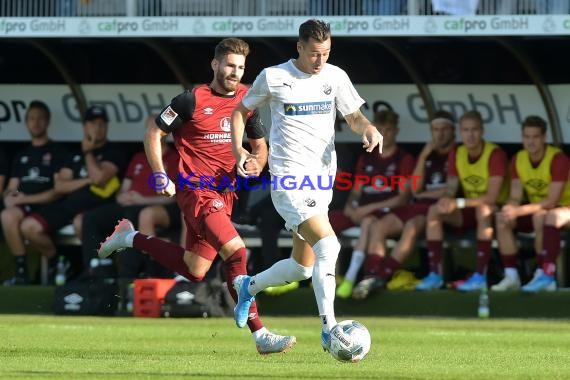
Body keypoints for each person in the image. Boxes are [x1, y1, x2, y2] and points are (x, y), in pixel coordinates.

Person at [96, 38, 296, 355]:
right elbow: (153, 131)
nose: (235, 72)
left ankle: (131, 237)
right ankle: (261, 334)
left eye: (241, 67)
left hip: (226, 194)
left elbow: (259, 145)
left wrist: (255, 163)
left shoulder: (247, 99)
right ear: (215, 64)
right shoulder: (191, 100)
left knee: (195, 269)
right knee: (236, 252)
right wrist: (160, 173)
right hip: (196, 191)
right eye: (230, 65)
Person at [230, 19, 382, 352]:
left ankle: (248, 286)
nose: (320, 61)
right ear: (299, 47)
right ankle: (330, 330)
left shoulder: (335, 76)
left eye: (326, 53)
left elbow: (354, 116)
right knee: (330, 247)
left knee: (303, 267)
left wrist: (368, 129)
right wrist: (238, 148)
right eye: (314, 54)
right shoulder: (274, 76)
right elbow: (239, 112)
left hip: (320, 182)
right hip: (289, 179)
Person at [351, 110, 456, 299]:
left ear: (453, 131)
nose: (440, 134)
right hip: (418, 205)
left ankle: (382, 276)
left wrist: (425, 193)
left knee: (412, 226)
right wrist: (423, 157)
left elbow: (450, 190)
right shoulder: (427, 154)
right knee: (380, 226)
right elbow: (416, 190)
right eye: (436, 130)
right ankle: (371, 275)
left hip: (440, 210)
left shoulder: (457, 153)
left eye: (445, 129)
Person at [19, 105, 125, 278]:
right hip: (68, 206)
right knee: (29, 226)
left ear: (106, 126)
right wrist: (87, 180)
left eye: (101, 124)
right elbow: (60, 186)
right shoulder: (74, 155)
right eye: (92, 124)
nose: (97, 128)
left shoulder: (114, 152)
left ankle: (92, 270)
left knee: (81, 222)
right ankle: (60, 263)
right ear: (85, 127)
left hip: (95, 208)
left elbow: (99, 177)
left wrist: (88, 153)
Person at [415, 110, 509, 292]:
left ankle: (480, 276)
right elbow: (451, 188)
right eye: (466, 130)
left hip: (497, 210)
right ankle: (435, 274)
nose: (470, 135)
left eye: (474, 130)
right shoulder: (457, 153)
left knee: (483, 209)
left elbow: (492, 197)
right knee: (435, 210)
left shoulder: (495, 153)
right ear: (460, 132)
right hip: (468, 207)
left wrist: (457, 203)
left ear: (482, 131)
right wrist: (446, 200)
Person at [78, 116, 180, 280]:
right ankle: (95, 268)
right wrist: (122, 197)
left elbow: (175, 197)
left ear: (166, 132)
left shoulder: (175, 158)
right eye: (148, 129)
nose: (151, 132)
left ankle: (137, 274)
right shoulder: (138, 157)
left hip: (153, 206)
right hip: (130, 205)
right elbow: (123, 190)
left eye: (156, 128)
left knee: (134, 219)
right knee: (90, 218)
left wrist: (141, 200)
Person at [333, 109, 416, 298]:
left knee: (371, 222)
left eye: (389, 130)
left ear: (396, 131)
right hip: (362, 210)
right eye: (381, 130)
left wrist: (365, 209)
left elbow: (402, 197)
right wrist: (351, 205)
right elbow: (356, 190)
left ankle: (354, 277)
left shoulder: (404, 159)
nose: (385, 134)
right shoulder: (367, 156)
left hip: (386, 212)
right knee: (324, 223)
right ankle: (324, 276)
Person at [493, 116, 570, 292]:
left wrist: (518, 211)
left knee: (545, 216)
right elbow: (515, 195)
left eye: (535, 137)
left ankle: (545, 275)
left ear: (544, 138)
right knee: (502, 218)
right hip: (539, 210)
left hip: (565, 207)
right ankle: (511, 276)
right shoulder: (518, 159)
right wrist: (510, 207)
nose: (531, 141)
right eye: (527, 137)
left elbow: (551, 201)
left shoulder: (558, 159)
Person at [2, 101, 67, 285]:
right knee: (7, 215)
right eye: (31, 119)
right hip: (25, 206)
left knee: (27, 227)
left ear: (47, 122)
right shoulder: (21, 155)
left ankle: (55, 260)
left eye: (39, 118)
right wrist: (9, 196)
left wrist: (25, 198)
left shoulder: (57, 151)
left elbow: (57, 190)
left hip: (50, 206)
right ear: (26, 122)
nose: (35, 122)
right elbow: (12, 186)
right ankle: (21, 273)